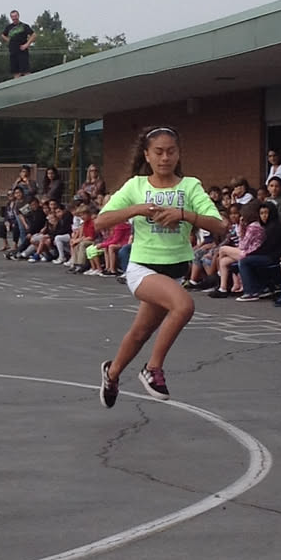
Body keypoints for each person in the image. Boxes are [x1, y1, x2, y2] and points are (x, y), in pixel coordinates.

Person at [95, 127, 224, 403]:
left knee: (140, 332)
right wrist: (137, 209)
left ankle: (112, 373)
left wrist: (184, 215)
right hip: (143, 268)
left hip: (175, 269)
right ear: (147, 155)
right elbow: (101, 221)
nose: (165, 157)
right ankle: (153, 369)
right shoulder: (136, 186)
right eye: (159, 152)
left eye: (171, 151)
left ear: (178, 154)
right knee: (183, 306)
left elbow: (220, 225)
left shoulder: (190, 186)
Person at [4, 10, 34, 76]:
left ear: (18, 16)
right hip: (13, 52)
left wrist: (27, 44)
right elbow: (3, 35)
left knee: (26, 71)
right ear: (11, 17)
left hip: (22, 52)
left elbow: (33, 35)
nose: (14, 18)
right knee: (16, 73)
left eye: (15, 16)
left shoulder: (24, 26)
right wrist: (9, 41)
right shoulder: (9, 27)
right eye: (12, 16)